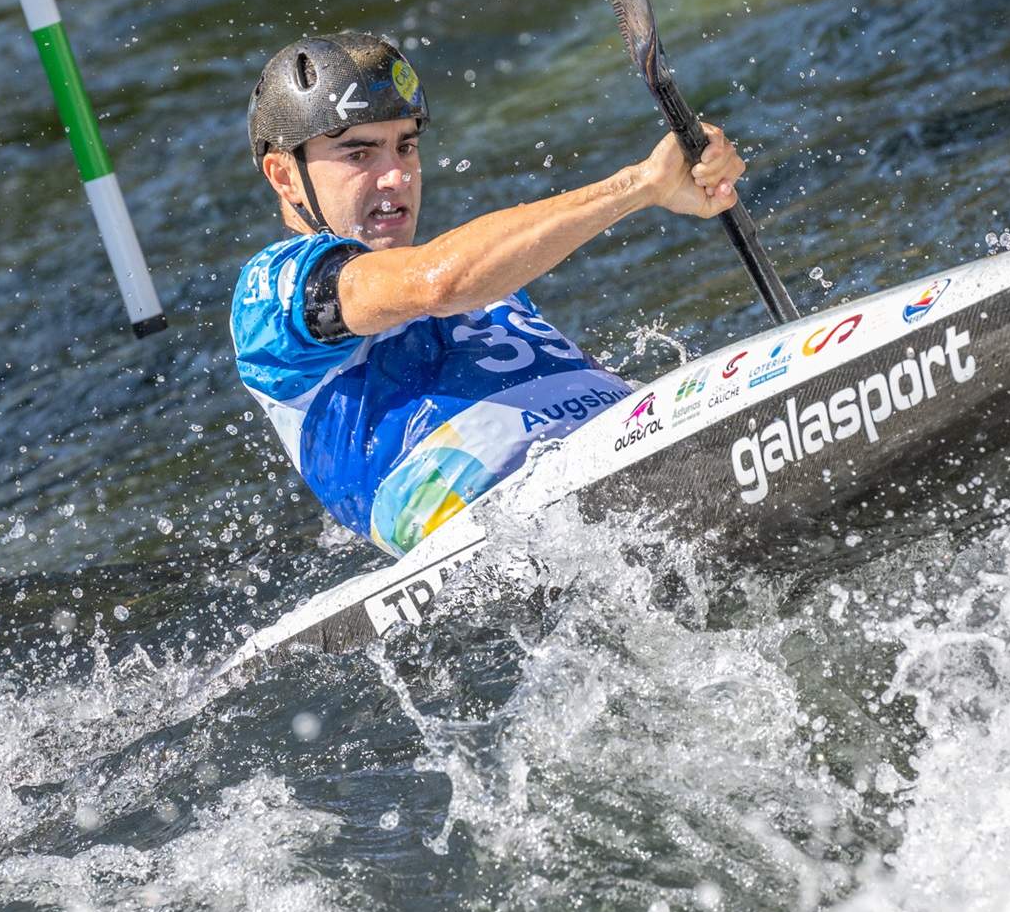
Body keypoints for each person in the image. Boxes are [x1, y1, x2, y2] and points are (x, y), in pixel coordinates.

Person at [231, 31, 746, 557]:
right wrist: (640, 185)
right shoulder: (274, 294)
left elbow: (452, 277)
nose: (395, 176)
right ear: (284, 177)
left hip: (636, 449)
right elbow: (438, 282)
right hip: (520, 533)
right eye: (359, 154)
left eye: (405, 147)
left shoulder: (491, 283)